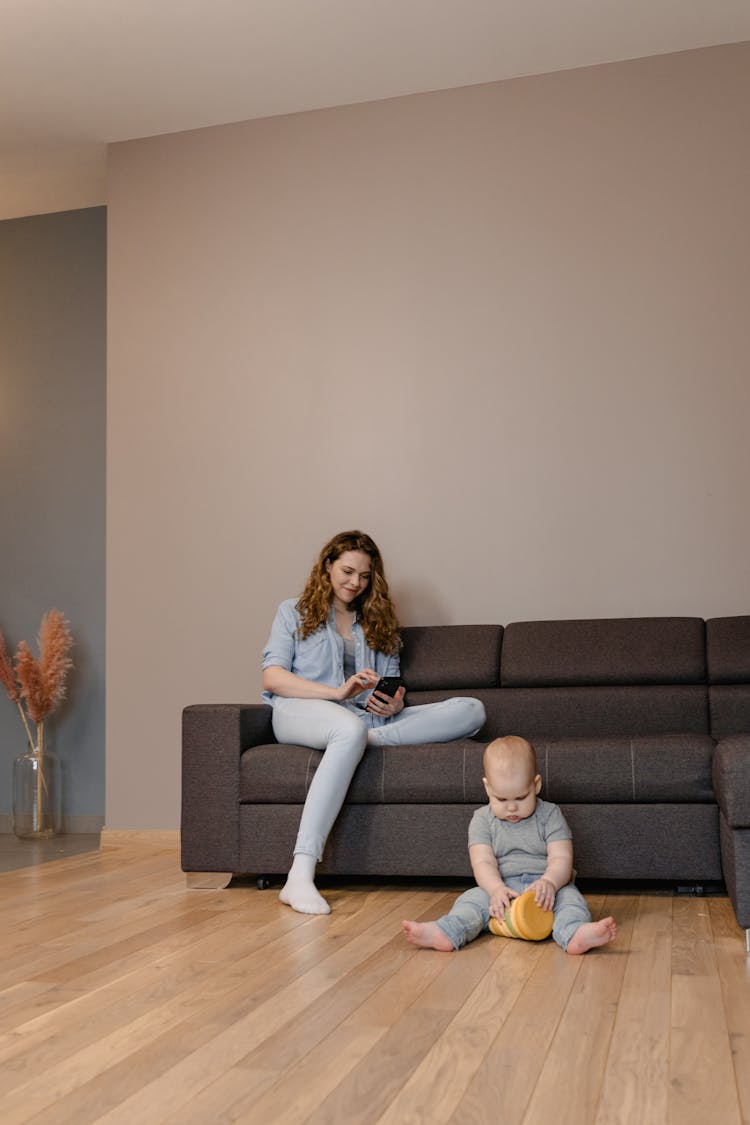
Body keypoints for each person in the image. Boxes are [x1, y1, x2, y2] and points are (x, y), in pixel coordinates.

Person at [262, 530, 486, 916]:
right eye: (347, 572)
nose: (355, 583)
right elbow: (272, 677)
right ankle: (299, 874)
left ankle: (364, 738)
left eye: (364, 576)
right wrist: (336, 694)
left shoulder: (379, 620)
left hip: (364, 720)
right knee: (346, 729)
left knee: (473, 709)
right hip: (301, 711)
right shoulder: (293, 611)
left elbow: (391, 681)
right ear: (328, 565)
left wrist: (393, 702)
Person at [402, 735, 617, 955]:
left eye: (521, 797)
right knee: (471, 901)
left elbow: (561, 857)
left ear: (536, 785)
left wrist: (550, 883)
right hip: (502, 886)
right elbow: (482, 861)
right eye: (502, 800)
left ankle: (575, 933)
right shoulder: (482, 819)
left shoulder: (550, 814)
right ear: (487, 788)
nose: (512, 807)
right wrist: (495, 889)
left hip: (546, 887)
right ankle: (446, 931)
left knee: (571, 901)